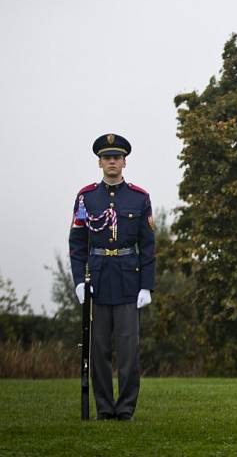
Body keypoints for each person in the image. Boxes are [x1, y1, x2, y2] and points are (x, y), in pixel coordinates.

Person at [70, 133, 155, 421]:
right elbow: (78, 242)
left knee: (129, 351)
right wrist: (79, 282)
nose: (112, 162)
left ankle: (126, 409)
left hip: (129, 281)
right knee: (99, 350)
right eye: (107, 158)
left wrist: (147, 285)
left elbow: (147, 246)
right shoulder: (86, 197)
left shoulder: (139, 197)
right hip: (98, 279)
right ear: (99, 162)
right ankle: (105, 409)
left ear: (124, 161)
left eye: (116, 157)